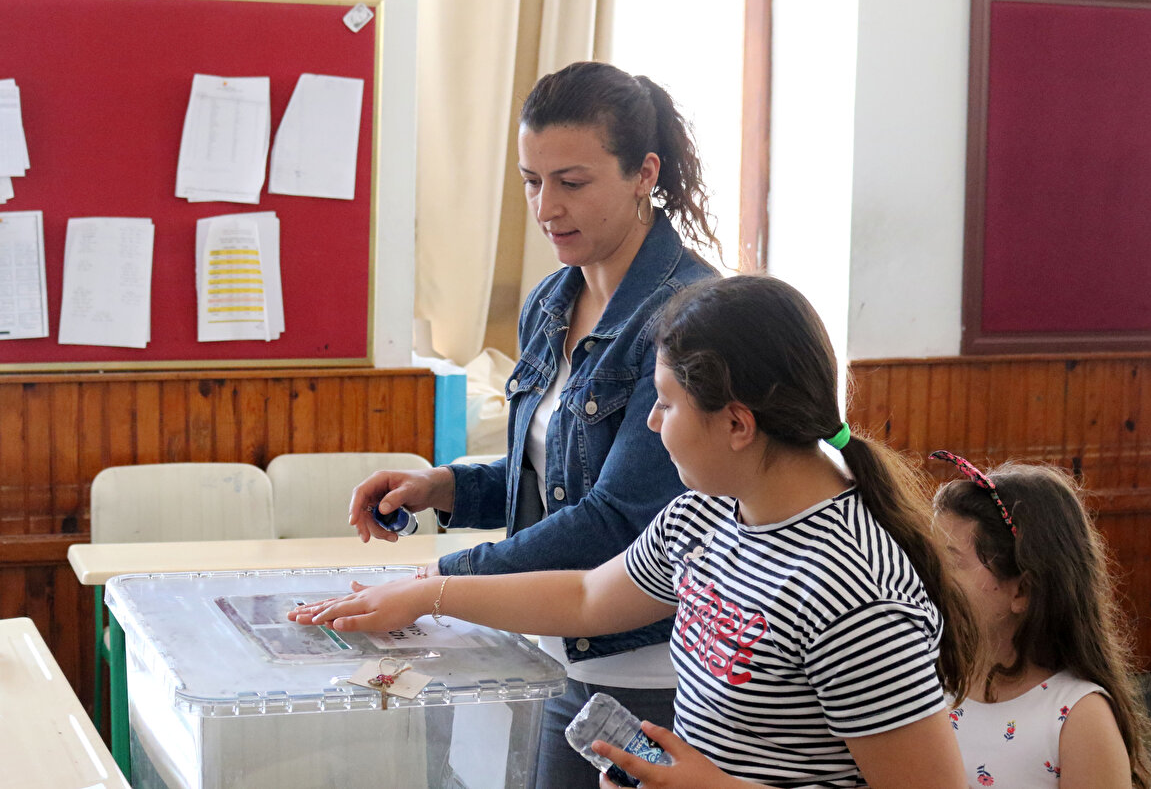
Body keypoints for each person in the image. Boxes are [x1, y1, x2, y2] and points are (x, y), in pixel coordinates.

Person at [294, 275, 977, 789]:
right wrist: (428, 594)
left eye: (668, 404)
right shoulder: (707, 515)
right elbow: (589, 597)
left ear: (738, 424)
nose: (652, 424)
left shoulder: (851, 587)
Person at [346, 61, 719, 787]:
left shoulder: (689, 317)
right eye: (530, 181)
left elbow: (617, 521)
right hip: (544, 643)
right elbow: (550, 478)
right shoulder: (551, 299)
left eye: (571, 182)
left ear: (644, 173)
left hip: (645, 667)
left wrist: (437, 581)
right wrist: (444, 487)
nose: (546, 207)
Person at [929, 454, 1151, 789]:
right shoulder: (934, 685)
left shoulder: (1079, 718)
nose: (926, 575)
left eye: (950, 562)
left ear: (1021, 591)